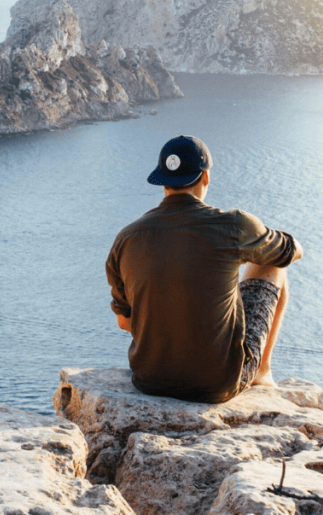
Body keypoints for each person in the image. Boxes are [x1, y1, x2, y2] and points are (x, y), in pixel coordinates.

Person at [106, 135, 302, 404]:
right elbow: (291, 252)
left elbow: (124, 321)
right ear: (205, 177)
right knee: (273, 263)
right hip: (217, 384)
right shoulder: (234, 225)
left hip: (149, 380)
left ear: (162, 181)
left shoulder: (126, 238)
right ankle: (261, 372)